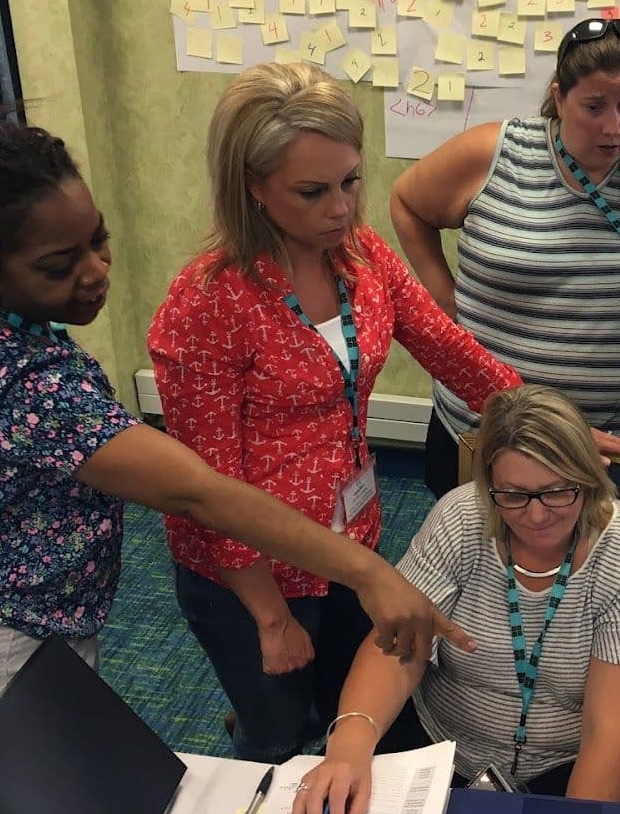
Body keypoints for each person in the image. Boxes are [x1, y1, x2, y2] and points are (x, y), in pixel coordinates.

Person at [0, 107, 466, 758]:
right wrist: (369, 573)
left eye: (98, 240)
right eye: (57, 265)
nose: (97, 271)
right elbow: (199, 493)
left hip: (28, 611)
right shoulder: (28, 385)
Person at [147, 63, 521, 765]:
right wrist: (269, 616)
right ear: (251, 188)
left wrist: (537, 414)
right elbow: (205, 487)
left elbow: (447, 347)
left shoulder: (359, 254)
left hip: (349, 538)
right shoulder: (207, 303)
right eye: (312, 192)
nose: (341, 209)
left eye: (351, 181)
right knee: (280, 737)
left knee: (350, 700)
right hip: (249, 572)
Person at [390, 17, 620, 560]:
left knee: (617, 574)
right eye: (593, 106)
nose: (614, 127)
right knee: (488, 568)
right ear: (558, 96)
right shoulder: (495, 153)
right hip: (497, 427)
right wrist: (445, 301)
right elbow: (407, 201)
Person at [290, 385, 620, 814]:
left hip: (567, 759)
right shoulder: (462, 518)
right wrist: (351, 743)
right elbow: (399, 649)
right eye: (514, 495)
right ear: (489, 484)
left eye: (558, 491)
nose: (536, 516)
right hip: (439, 740)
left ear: (589, 477)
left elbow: (607, 737)